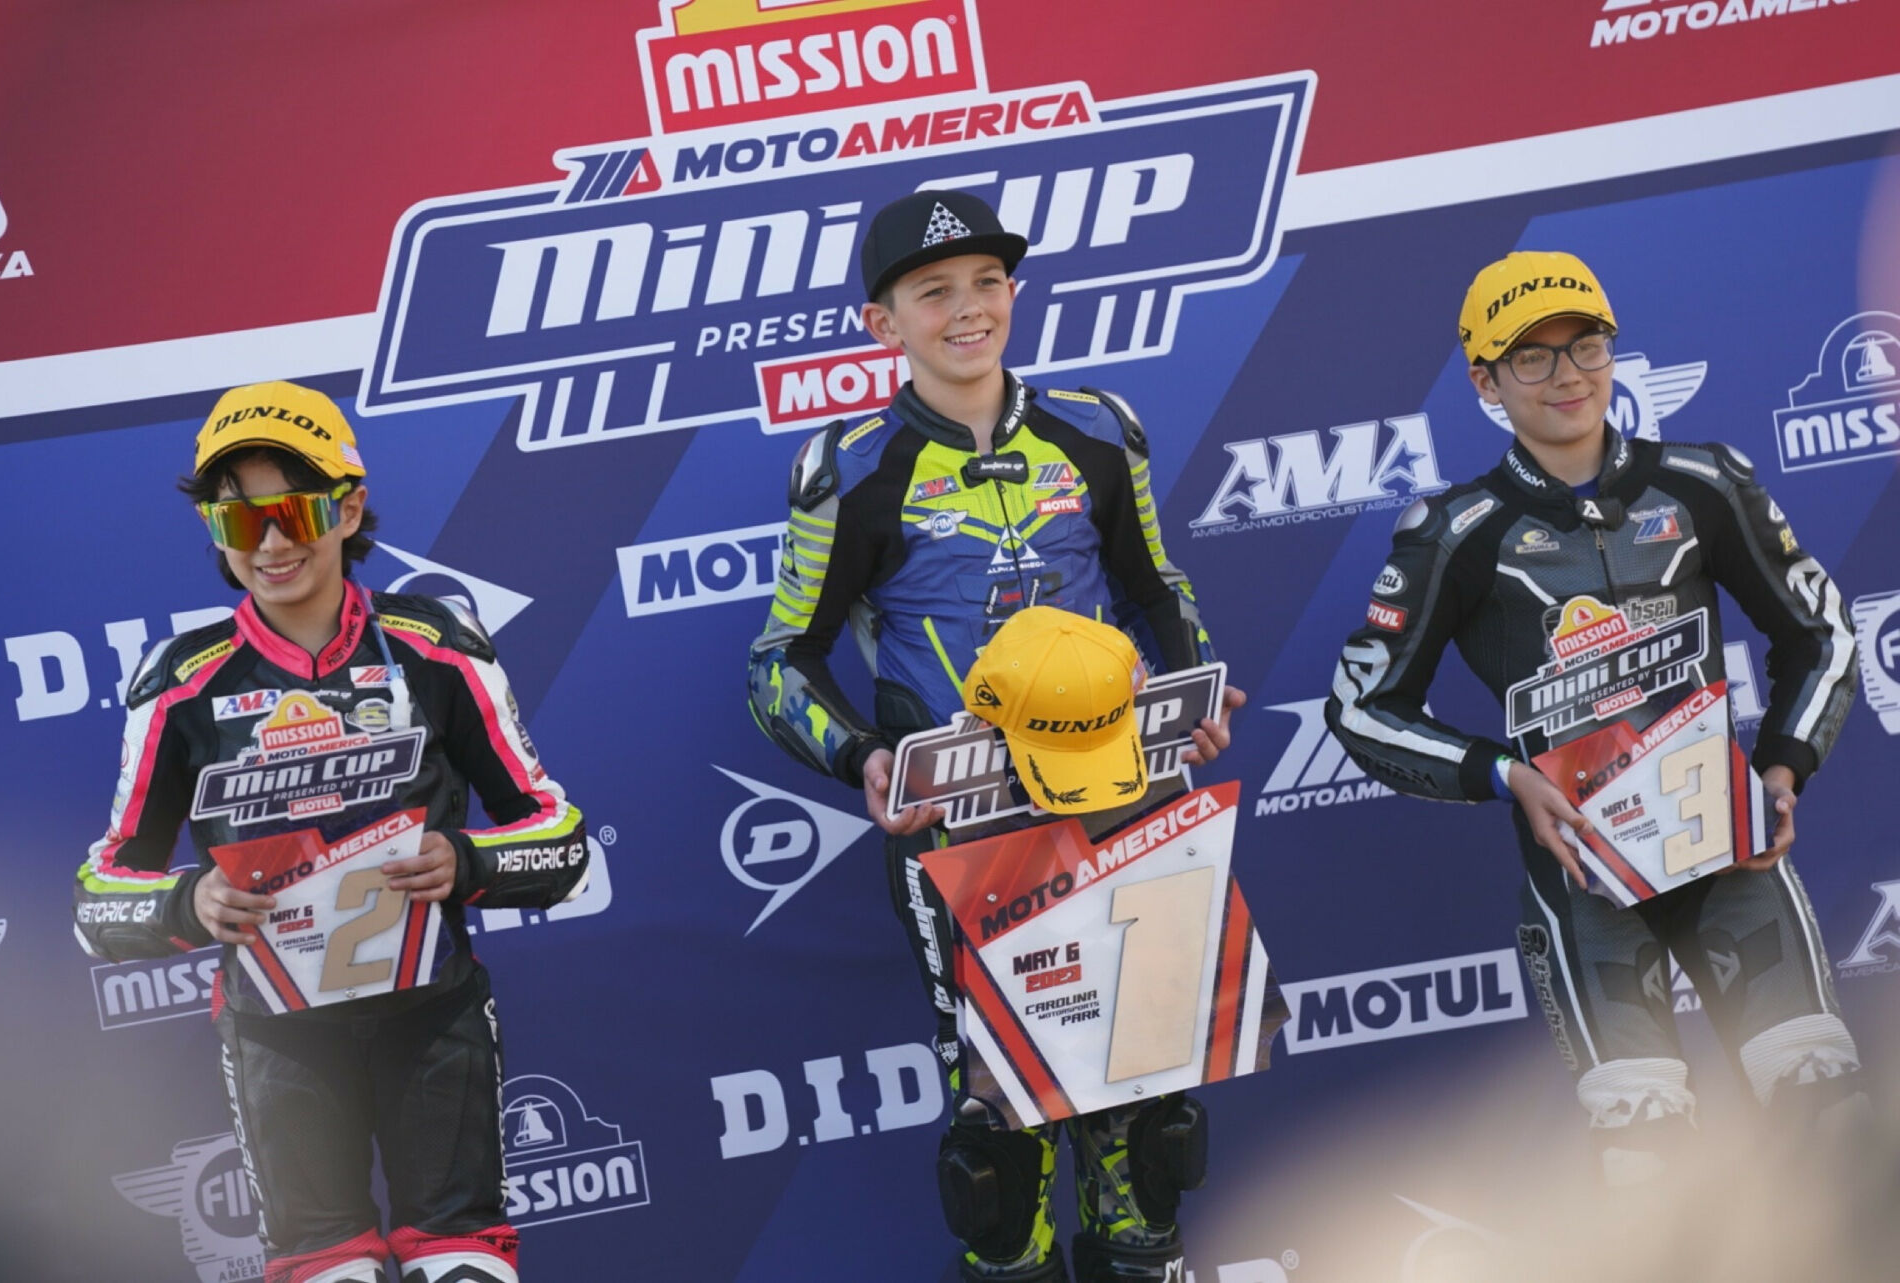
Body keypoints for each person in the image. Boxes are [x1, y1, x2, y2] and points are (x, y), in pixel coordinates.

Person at [746, 189, 1243, 1282]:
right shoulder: (854, 467)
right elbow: (778, 663)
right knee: (1001, 1144)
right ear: (884, 323)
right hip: (962, 830)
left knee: (1148, 1132)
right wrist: (862, 757)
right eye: (935, 292)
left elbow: (1159, 588)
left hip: (1124, 805)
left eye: (987, 282)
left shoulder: (1098, 426)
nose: (968, 309)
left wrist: (1195, 693)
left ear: (1013, 291)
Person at [1326, 251, 1865, 1183]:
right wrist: (1507, 776)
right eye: (1529, 357)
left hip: (1732, 854)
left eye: (1586, 345)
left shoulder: (1704, 480)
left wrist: (1782, 765)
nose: (1566, 373)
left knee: (1833, 1123)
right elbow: (1361, 708)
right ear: (1483, 379)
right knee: (1644, 1164)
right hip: (1581, 880)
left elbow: (1821, 631)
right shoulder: (1454, 531)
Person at [73, 381, 588, 1283]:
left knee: (465, 1264)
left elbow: (561, 837)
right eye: (240, 523)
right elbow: (98, 898)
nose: (272, 544)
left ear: (348, 507)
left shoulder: (435, 644)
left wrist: (465, 861)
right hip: (279, 1034)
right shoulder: (181, 681)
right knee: (326, 1271)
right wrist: (188, 900)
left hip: (433, 1015)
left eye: (295, 510)